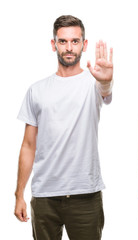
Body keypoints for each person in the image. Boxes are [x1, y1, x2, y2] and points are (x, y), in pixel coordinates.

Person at [14, 15, 113, 240]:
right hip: (45, 197)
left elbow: (106, 92)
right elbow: (29, 145)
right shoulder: (36, 90)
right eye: (63, 41)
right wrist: (19, 193)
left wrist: (106, 81)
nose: (69, 48)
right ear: (54, 44)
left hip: (85, 194)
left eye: (75, 41)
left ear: (84, 45)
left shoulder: (94, 82)